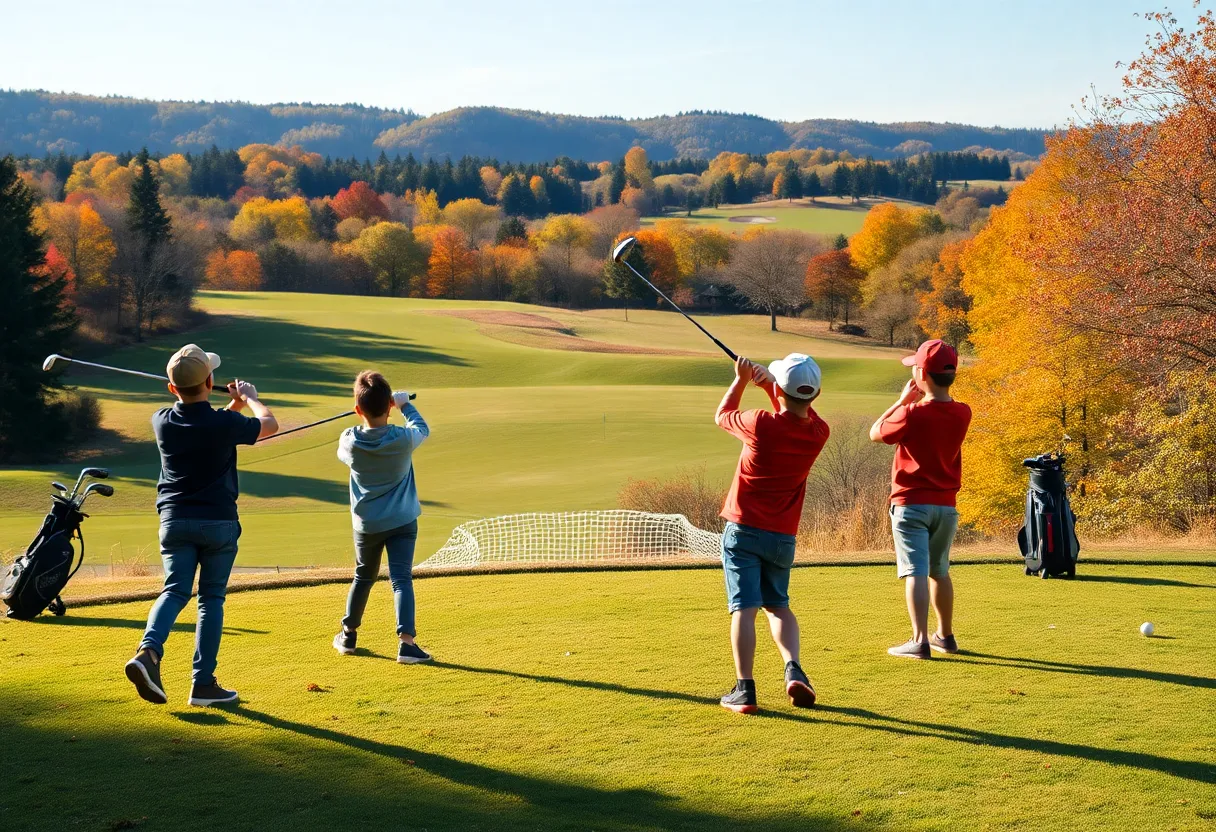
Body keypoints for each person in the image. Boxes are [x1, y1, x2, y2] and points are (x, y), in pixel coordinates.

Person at [125, 344, 278, 706]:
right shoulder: (223, 424)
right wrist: (252, 399)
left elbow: (203, 424)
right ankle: (204, 684)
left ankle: (149, 651)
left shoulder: (161, 419)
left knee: (175, 591)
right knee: (210, 599)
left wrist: (233, 407)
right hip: (218, 523)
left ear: (171, 388)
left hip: (174, 520)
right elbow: (269, 426)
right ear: (211, 381)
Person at [715, 353, 830, 714]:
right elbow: (795, 412)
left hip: (744, 531)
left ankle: (744, 691)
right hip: (782, 536)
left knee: (744, 609)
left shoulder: (759, 423)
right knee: (778, 606)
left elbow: (722, 415)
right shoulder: (818, 432)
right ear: (816, 394)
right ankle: (793, 668)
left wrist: (741, 380)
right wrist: (768, 385)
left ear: (780, 389)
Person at [869, 339, 972, 659]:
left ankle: (919, 640)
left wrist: (900, 402)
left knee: (914, 571)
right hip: (946, 506)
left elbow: (876, 432)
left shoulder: (911, 413)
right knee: (939, 571)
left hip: (911, 503)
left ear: (922, 375)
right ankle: (945, 636)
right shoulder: (963, 412)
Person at [332, 370, 431, 664]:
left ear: (358, 410)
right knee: (401, 579)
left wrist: (366, 413)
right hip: (402, 520)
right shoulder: (402, 438)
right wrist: (404, 405)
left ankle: (348, 635)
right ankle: (407, 643)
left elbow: (342, 452)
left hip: (367, 524)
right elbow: (421, 428)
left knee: (363, 576)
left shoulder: (349, 441)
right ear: (388, 405)